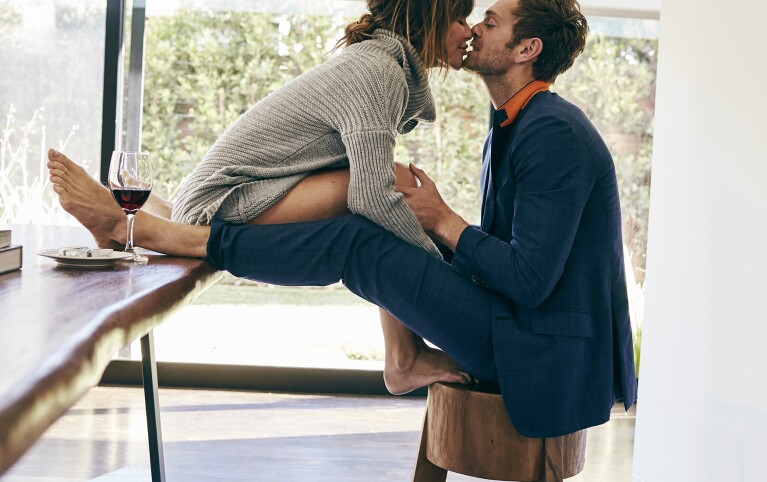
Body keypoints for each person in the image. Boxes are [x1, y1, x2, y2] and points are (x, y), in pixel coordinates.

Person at [50, 0, 637, 437]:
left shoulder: (552, 133)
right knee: (377, 198)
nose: (475, 28)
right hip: (521, 327)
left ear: (526, 49)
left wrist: (446, 226)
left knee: (365, 230)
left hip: (540, 349)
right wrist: (437, 238)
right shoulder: (513, 122)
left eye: (491, 21)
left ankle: (166, 229)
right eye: (470, 16)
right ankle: (169, 226)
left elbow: (530, 278)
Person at [50, 0, 477, 395]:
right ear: (433, 19)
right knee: (380, 187)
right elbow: (369, 195)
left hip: (233, 193)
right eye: (461, 18)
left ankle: (403, 356)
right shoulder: (379, 71)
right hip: (222, 199)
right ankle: (141, 223)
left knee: (391, 180)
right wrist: (441, 274)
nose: (469, 29)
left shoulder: (380, 65)